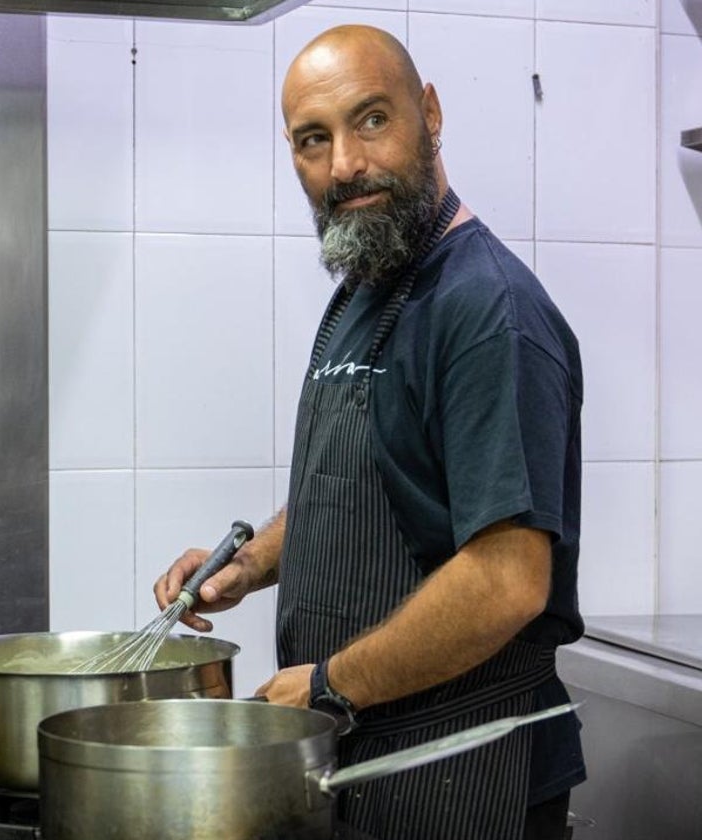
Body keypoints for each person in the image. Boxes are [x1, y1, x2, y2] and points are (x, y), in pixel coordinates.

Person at [154, 24, 585, 840]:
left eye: (372, 120)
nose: (344, 163)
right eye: (313, 140)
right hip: (372, 761)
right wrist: (246, 565)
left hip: (468, 772)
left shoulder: (488, 312)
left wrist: (326, 684)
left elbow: (507, 578)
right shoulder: (370, 286)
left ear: (429, 112)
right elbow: (369, 487)